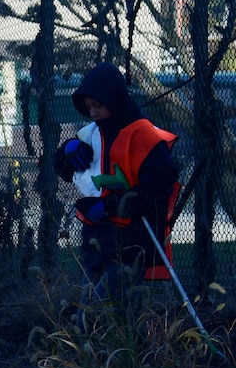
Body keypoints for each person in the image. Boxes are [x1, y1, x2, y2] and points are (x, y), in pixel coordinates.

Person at [53, 62, 180, 317]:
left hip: (131, 242)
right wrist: (66, 151)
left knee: (97, 314)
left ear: (113, 99)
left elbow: (156, 190)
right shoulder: (91, 133)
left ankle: (122, 353)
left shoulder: (142, 135)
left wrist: (110, 206)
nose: (93, 113)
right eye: (89, 107)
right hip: (97, 240)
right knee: (90, 312)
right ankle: (105, 353)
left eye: (97, 106)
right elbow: (64, 170)